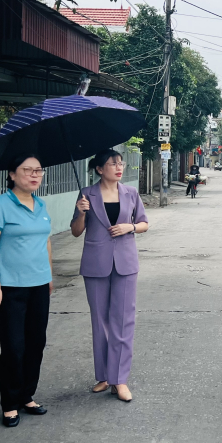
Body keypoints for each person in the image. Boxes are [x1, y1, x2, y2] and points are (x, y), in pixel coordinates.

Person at [0, 154, 54, 428]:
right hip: (11, 287)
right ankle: (10, 403)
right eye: (27, 170)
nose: (34, 175)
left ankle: (26, 394)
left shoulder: (41, 205)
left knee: (36, 344)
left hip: (39, 285)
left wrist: (49, 274)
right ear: (12, 174)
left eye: (39, 170)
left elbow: (46, 241)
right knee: (13, 347)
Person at [71, 150, 149, 403]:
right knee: (100, 321)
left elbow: (144, 223)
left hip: (125, 263)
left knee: (123, 320)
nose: (118, 167)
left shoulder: (131, 193)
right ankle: (104, 375)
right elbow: (75, 231)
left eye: (120, 163)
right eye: (112, 163)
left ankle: (120, 379)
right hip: (95, 264)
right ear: (99, 169)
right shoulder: (86, 194)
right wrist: (81, 211)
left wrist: (131, 227)